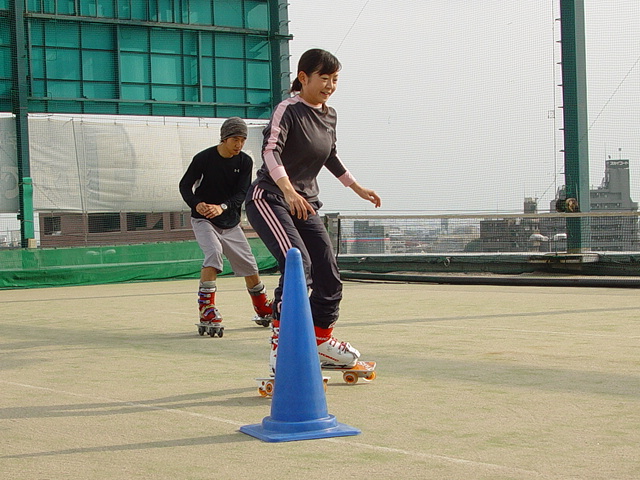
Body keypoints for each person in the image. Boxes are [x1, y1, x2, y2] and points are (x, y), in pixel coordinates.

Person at [245, 48, 381, 373]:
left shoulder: (329, 115)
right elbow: (269, 150)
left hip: (305, 204)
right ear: (303, 77)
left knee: (328, 275)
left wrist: (356, 187)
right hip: (270, 199)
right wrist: (288, 190)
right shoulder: (288, 109)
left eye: (335, 79)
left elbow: (330, 155)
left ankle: (320, 342)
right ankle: (282, 348)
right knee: (297, 263)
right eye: (324, 77)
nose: (330, 85)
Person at [179, 117, 273, 331]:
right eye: (235, 140)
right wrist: (197, 204)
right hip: (203, 220)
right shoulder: (203, 159)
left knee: (249, 264)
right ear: (224, 138)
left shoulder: (245, 162)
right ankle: (207, 309)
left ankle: (262, 308)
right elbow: (185, 186)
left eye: (242, 140)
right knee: (213, 253)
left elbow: (242, 193)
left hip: (230, 222)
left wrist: (222, 207)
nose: (239, 145)